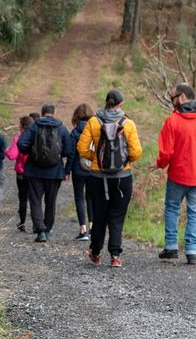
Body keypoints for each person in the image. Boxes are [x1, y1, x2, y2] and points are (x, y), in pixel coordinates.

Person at [151, 83, 196, 265]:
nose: (172, 102)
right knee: (195, 213)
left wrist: (159, 164)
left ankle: (172, 247)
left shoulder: (172, 121)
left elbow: (166, 152)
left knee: (172, 208)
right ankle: (192, 251)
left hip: (178, 175)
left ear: (182, 97)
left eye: (173, 98)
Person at [78, 90, 142, 267]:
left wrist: (95, 158)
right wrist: (123, 160)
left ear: (106, 102)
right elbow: (136, 152)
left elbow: (82, 148)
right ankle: (115, 256)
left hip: (98, 178)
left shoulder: (93, 121)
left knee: (99, 215)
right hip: (123, 177)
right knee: (117, 216)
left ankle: (96, 253)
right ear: (120, 104)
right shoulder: (128, 124)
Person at [17, 103, 72, 243]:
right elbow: (69, 150)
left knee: (35, 201)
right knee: (51, 202)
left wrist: (33, 152)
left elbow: (21, 143)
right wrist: (63, 165)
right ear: (54, 112)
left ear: (42, 113)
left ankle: (40, 230)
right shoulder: (61, 128)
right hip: (55, 172)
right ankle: (47, 229)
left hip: (34, 170)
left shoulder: (34, 126)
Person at [68, 103, 95, 241]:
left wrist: (67, 171)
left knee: (79, 198)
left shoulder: (74, 132)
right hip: (92, 170)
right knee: (90, 198)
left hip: (78, 170)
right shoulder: (95, 129)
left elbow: (71, 153)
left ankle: (83, 230)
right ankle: (92, 228)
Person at [6, 116, 33, 232]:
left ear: (21, 126)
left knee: (22, 199)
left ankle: (22, 222)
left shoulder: (18, 138)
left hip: (21, 173)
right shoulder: (35, 137)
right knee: (34, 199)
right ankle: (37, 224)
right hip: (34, 173)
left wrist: (6, 150)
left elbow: (12, 156)